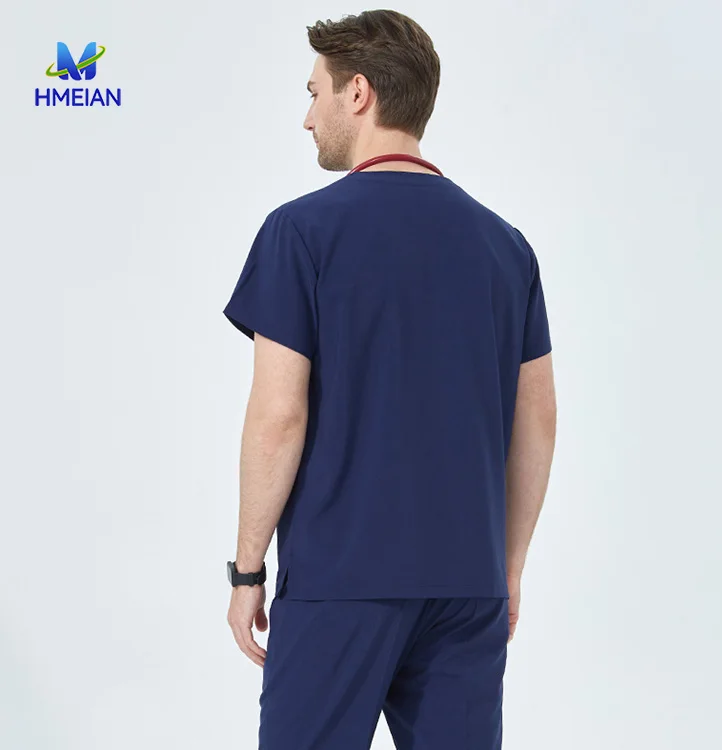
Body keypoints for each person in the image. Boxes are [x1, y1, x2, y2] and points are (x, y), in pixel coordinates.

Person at [223, 9, 556, 749]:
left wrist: (246, 573)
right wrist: (507, 567)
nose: (307, 118)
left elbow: (278, 416)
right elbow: (536, 419)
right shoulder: (506, 248)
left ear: (359, 93)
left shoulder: (301, 232)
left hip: (340, 581)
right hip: (466, 583)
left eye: (314, 94)